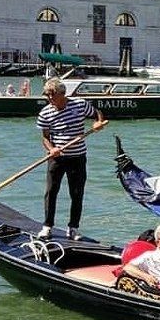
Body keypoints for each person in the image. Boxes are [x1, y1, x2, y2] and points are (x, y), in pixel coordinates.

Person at [36, 77, 107, 240]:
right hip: (57, 158)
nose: (49, 98)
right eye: (47, 95)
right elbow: (45, 137)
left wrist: (98, 123)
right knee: (51, 192)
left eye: (52, 95)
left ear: (62, 94)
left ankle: (73, 228)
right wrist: (51, 149)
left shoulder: (80, 105)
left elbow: (96, 113)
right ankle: (47, 226)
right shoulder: (45, 113)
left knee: (76, 193)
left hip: (77, 157)